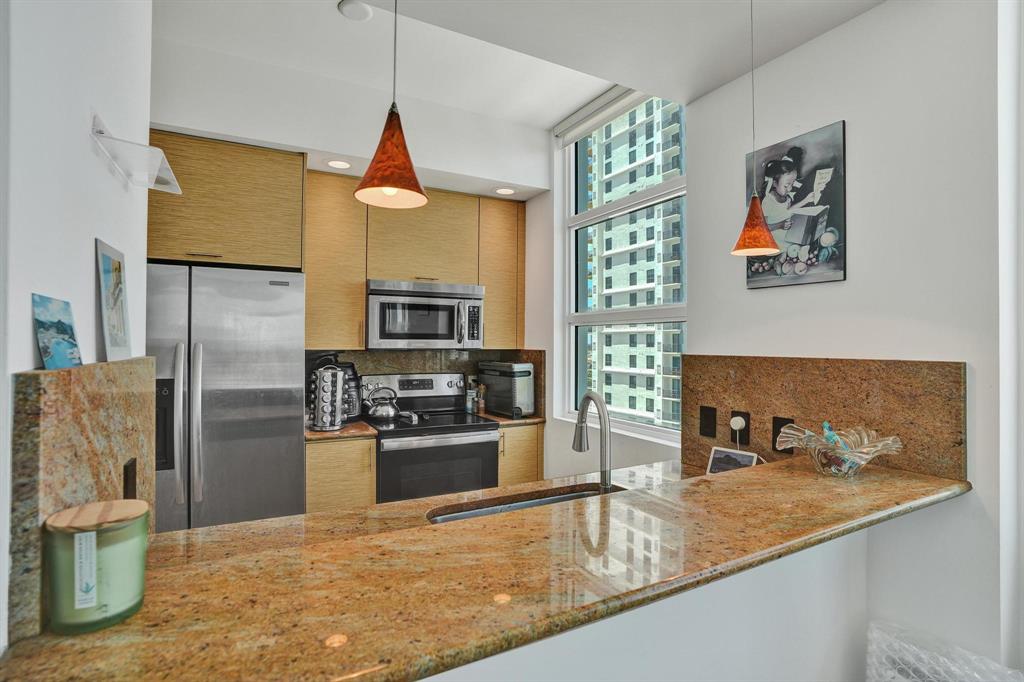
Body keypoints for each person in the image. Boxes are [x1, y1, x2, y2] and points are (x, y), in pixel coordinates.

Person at [760, 147, 820, 226]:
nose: (790, 188)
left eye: (792, 183)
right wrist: (780, 225)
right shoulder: (768, 201)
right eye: (786, 186)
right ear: (774, 183)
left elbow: (789, 210)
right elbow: (763, 227)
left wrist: (806, 200)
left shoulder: (786, 198)